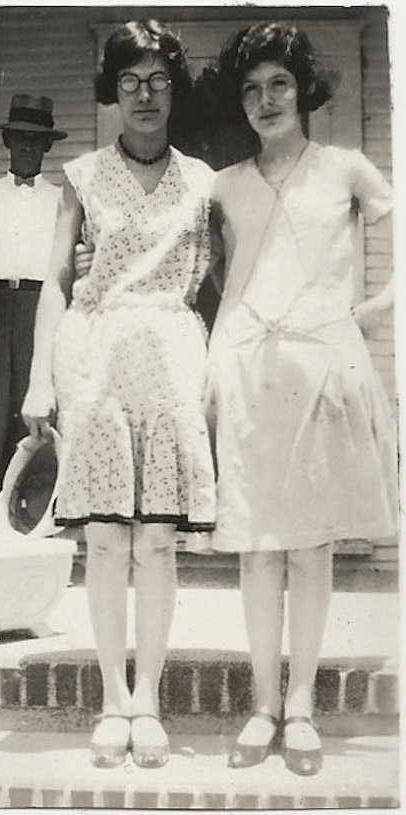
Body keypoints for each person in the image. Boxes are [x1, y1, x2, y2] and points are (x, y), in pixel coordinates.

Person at [200, 23, 396, 776]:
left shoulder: (346, 169)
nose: (265, 100)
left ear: (303, 88)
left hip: (320, 366)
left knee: (310, 548)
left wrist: (373, 312)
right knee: (256, 547)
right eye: (251, 89)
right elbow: (209, 275)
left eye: (279, 83)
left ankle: (304, 705)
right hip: (248, 370)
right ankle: (261, 704)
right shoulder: (224, 185)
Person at [21, 20, 216, 768]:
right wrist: (41, 376)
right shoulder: (80, 175)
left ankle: (151, 700)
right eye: (129, 81)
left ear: (175, 89)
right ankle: (111, 696)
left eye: (158, 80)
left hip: (170, 359)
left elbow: (227, 281)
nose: (144, 95)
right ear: (112, 90)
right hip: (97, 357)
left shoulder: (204, 181)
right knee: (105, 538)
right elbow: (56, 282)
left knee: (159, 540)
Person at [0, 95, 67, 533]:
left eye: (37, 141)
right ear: (7, 141)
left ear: (47, 147)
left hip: (40, 308)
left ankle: (32, 530)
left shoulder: (62, 200)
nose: (27, 148)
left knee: (37, 421)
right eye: (20, 139)